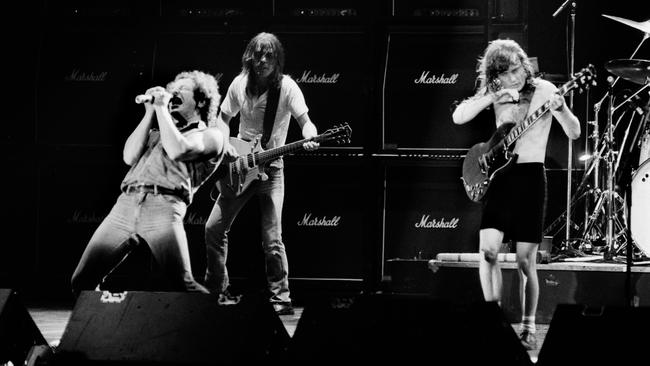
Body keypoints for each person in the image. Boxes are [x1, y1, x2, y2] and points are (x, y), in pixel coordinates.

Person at [452, 39, 580, 350]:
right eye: (507, 73)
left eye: (518, 69)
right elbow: (459, 116)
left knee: (525, 261)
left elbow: (574, 131)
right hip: (501, 179)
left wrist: (561, 110)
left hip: (531, 178)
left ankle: (528, 325)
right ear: (496, 75)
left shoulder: (547, 90)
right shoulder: (496, 92)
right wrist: (492, 96)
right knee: (489, 253)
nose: (516, 77)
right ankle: (492, 319)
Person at [71, 70, 225, 296]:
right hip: (125, 206)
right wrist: (150, 113)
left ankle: (218, 325)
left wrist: (162, 108)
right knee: (82, 281)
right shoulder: (157, 132)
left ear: (201, 100)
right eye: (172, 90)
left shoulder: (211, 135)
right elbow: (129, 156)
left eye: (181, 89)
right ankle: (109, 327)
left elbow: (178, 149)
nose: (173, 93)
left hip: (163, 206)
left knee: (183, 286)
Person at [204, 32, 319, 315]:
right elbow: (222, 118)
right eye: (258, 55)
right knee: (213, 229)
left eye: (269, 56)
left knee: (272, 239)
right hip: (240, 165)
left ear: (277, 59)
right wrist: (225, 144)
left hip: (272, 167)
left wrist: (311, 136)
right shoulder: (239, 84)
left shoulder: (288, 88)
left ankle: (281, 297)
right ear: (249, 58)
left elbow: (306, 122)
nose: (263, 61)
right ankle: (217, 293)